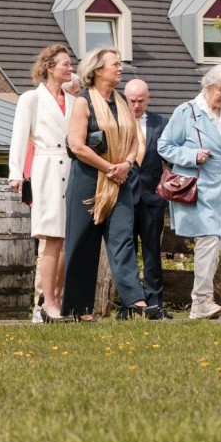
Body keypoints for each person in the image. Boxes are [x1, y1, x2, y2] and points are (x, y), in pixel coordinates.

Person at [157, 65, 221, 319]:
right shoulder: (186, 112)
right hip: (197, 188)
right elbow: (164, 146)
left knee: (215, 243)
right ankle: (201, 301)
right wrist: (192, 155)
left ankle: (202, 302)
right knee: (210, 240)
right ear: (208, 86)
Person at [61, 47, 158, 320]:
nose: (120, 68)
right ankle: (79, 310)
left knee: (123, 239)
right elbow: (76, 146)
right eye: (115, 64)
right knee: (83, 243)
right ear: (97, 70)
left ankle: (135, 300)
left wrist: (126, 164)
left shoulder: (123, 102)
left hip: (120, 180)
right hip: (88, 180)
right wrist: (108, 168)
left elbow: (134, 140)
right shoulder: (83, 103)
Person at [8, 44, 76, 321]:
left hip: (71, 168)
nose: (70, 68)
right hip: (45, 168)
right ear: (50, 67)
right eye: (65, 64)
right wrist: (15, 172)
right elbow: (19, 136)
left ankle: (58, 299)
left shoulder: (74, 101)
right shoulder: (31, 99)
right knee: (52, 236)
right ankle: (47, 303)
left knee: (68, 238)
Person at [124, 78, 170, 317]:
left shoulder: (161, 123)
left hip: (153, 199)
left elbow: (171, 157)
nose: (136, 105)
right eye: (132, 101)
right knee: (126, 253)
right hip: (125, 199)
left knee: (153, 253)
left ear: (148, 99)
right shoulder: (118, 123)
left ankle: (155, 304)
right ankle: (129, 305)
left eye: (141, 100)